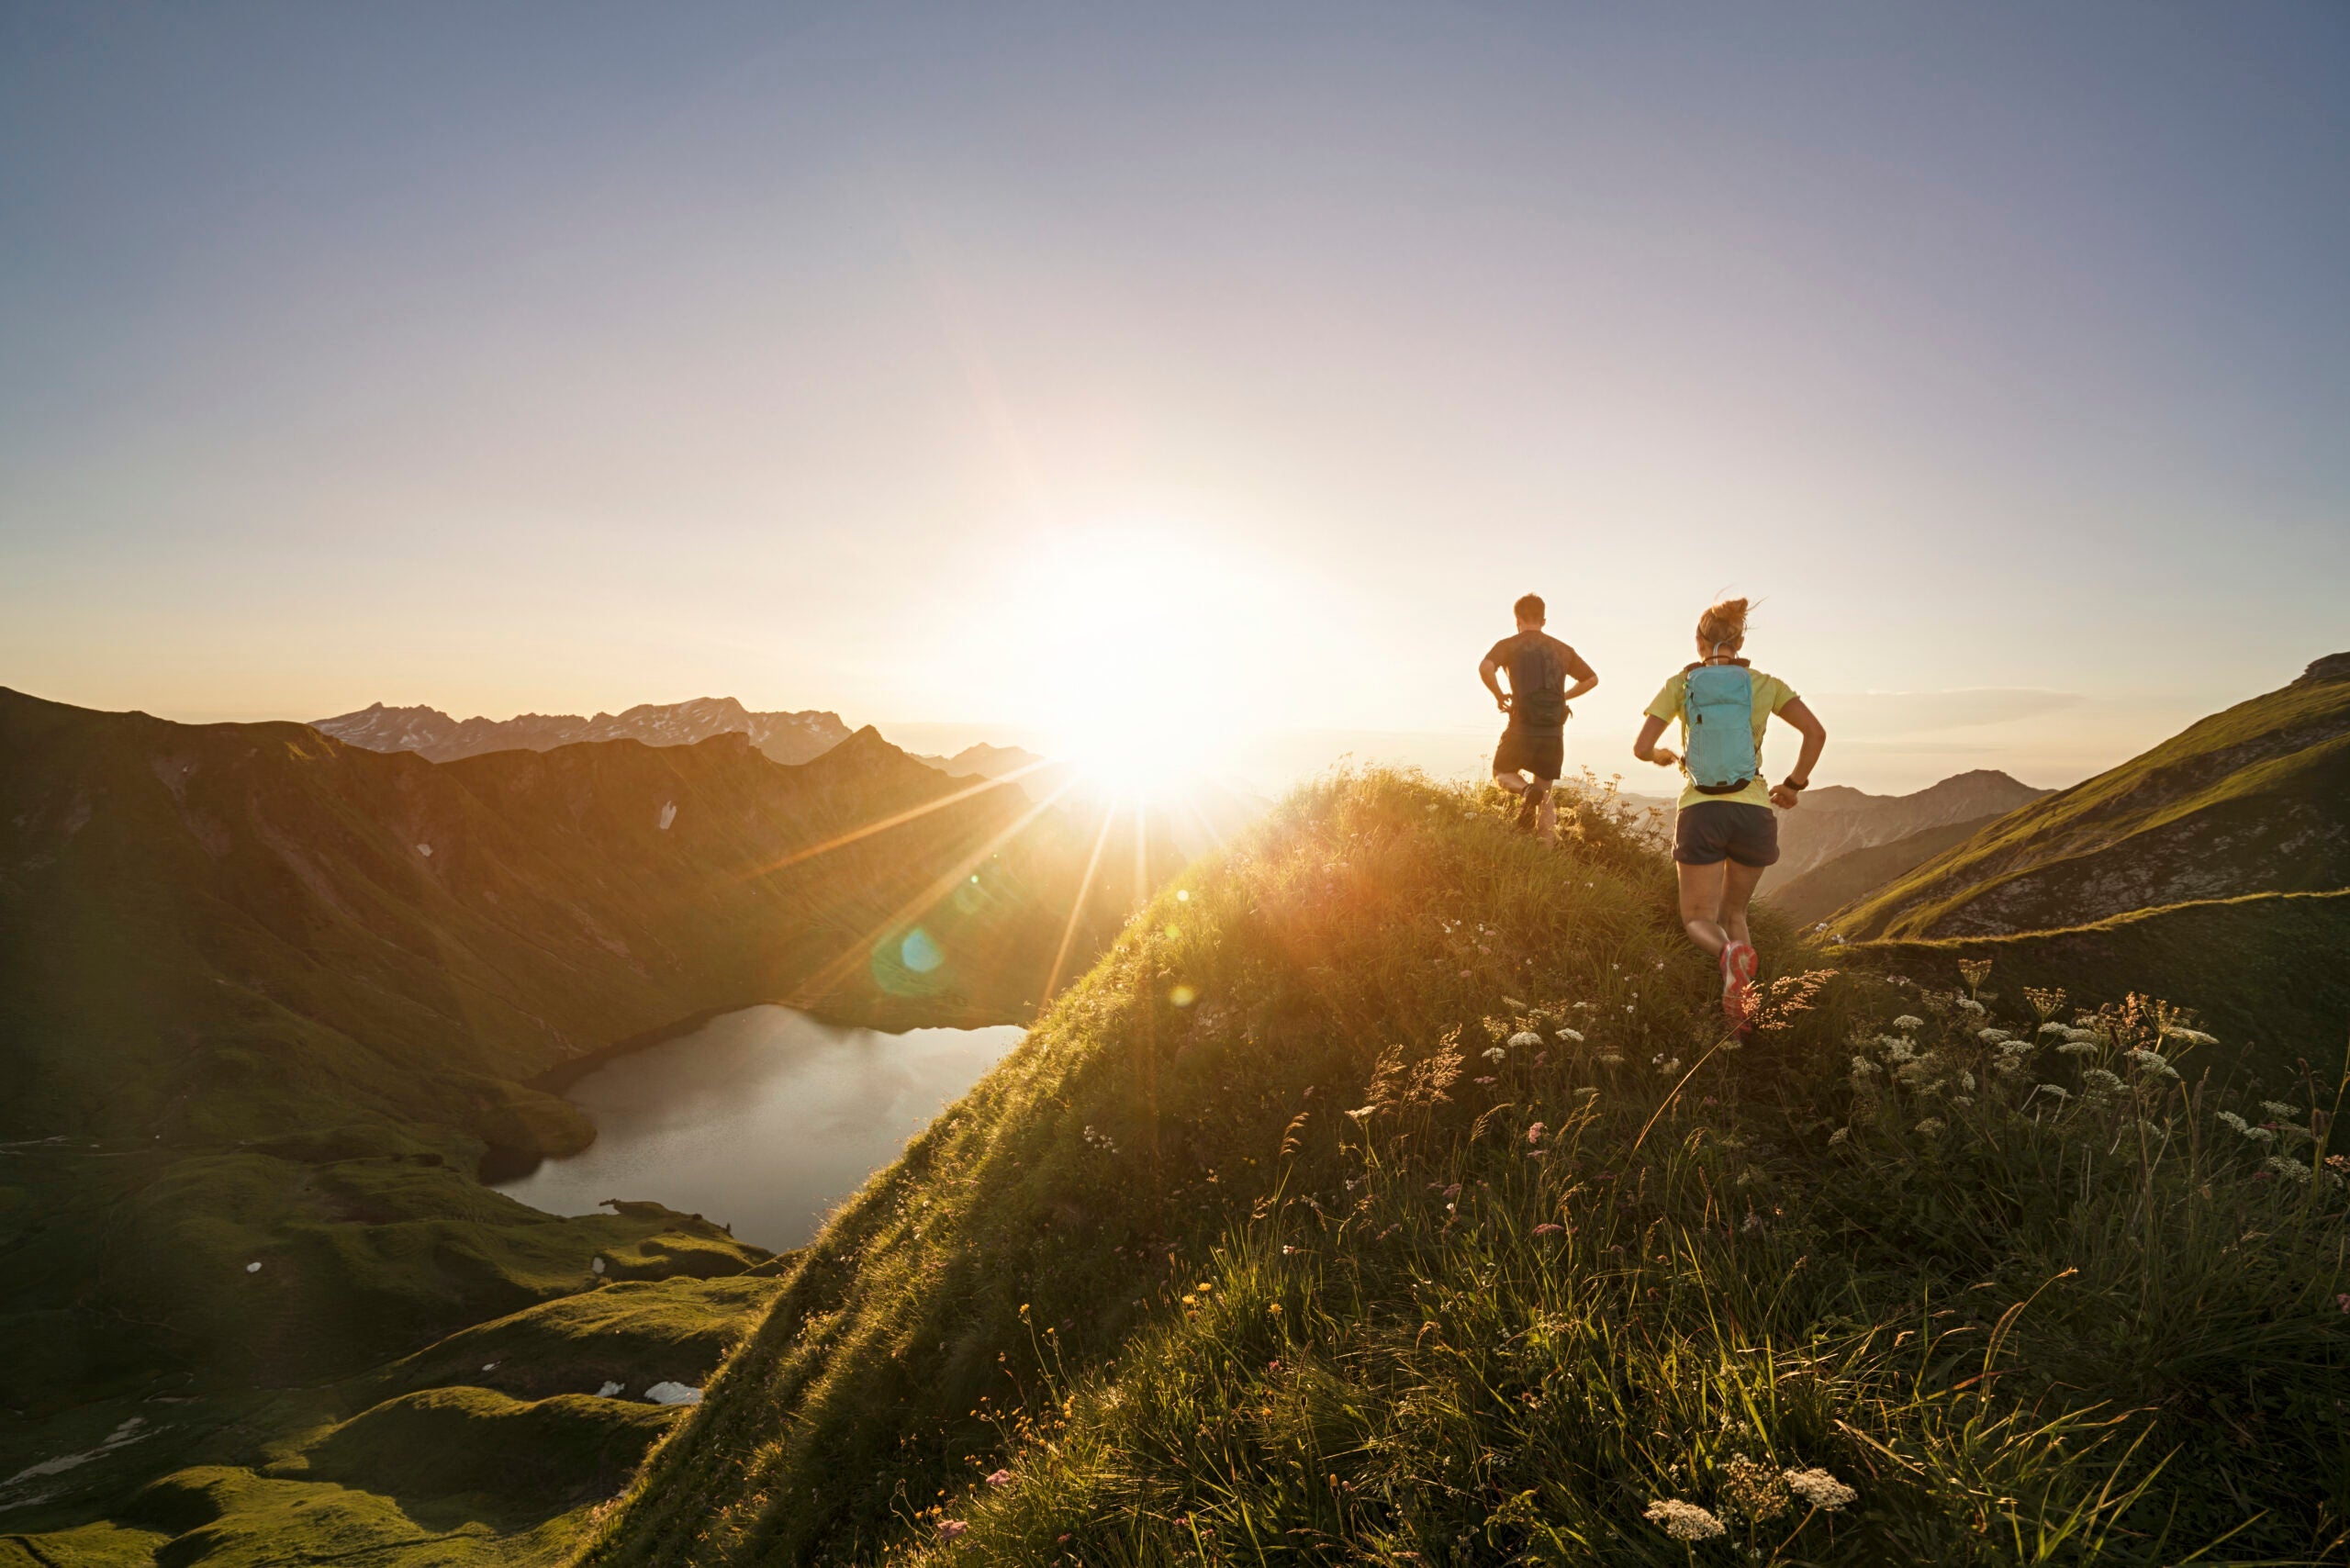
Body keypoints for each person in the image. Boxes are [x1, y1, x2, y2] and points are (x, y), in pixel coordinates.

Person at [1631, 597, 1827, 1028]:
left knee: (1698, 918)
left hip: (1702, 810)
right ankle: (1745, 1015)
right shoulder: (1764, 684)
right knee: (1734, 913)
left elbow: (1641, 748)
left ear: (1699, 642)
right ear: (1739, 641)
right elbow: (1816, 733)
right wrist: (1793, 785)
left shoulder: (1681, 685)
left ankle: (1727, 955)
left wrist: (1662, 755)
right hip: (1754, 812)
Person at [1480, 593, 1598, 843]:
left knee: (1502, 773)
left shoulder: (1509, 644)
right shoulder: (1563, 649)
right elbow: (1591, 679)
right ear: (1543, 620)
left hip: (1521, 725)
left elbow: (1485, 667)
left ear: (1517, 620)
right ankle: (1546, 850)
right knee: (1545, 793)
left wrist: (1499, 694)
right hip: (1553, 730)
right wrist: (1563, 696)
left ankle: (1525, 790)